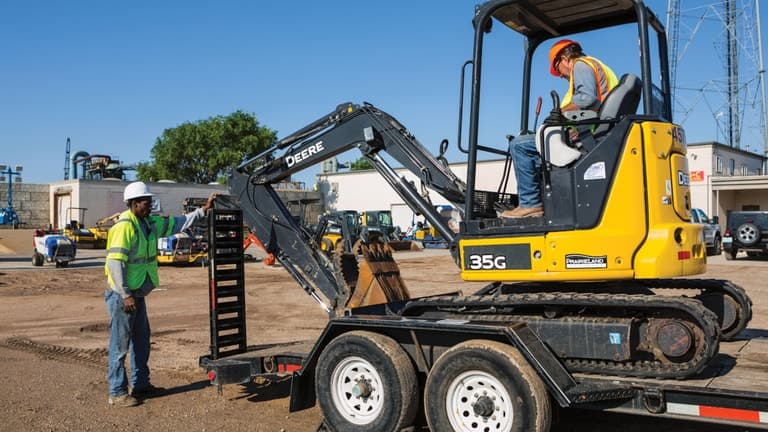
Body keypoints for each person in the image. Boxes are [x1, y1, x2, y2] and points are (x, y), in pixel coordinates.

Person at [104, 181, 217, 407]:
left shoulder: (149, 223)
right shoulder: (124, 227)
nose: (150, 206)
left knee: (141, 341)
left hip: (137, 293)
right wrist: (125, 295)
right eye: (145, 202)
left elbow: (178, 222)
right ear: (134, 203)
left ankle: (141, 385)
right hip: (123, 295)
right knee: (120, 345)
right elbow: (115, 263)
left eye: (149, 202)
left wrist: (202, 211)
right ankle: (117, 392)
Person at [502, 39, 618, 218]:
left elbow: (587, 99)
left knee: (519, 145)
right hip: (592, 132)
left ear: (564, 59)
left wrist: (559, 113)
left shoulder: (580, 65)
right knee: (537, 153)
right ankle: (543, 200)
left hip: (586, 136)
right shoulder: (600, 66)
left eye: (558, 70)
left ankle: (530, 204)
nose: (561, 76)